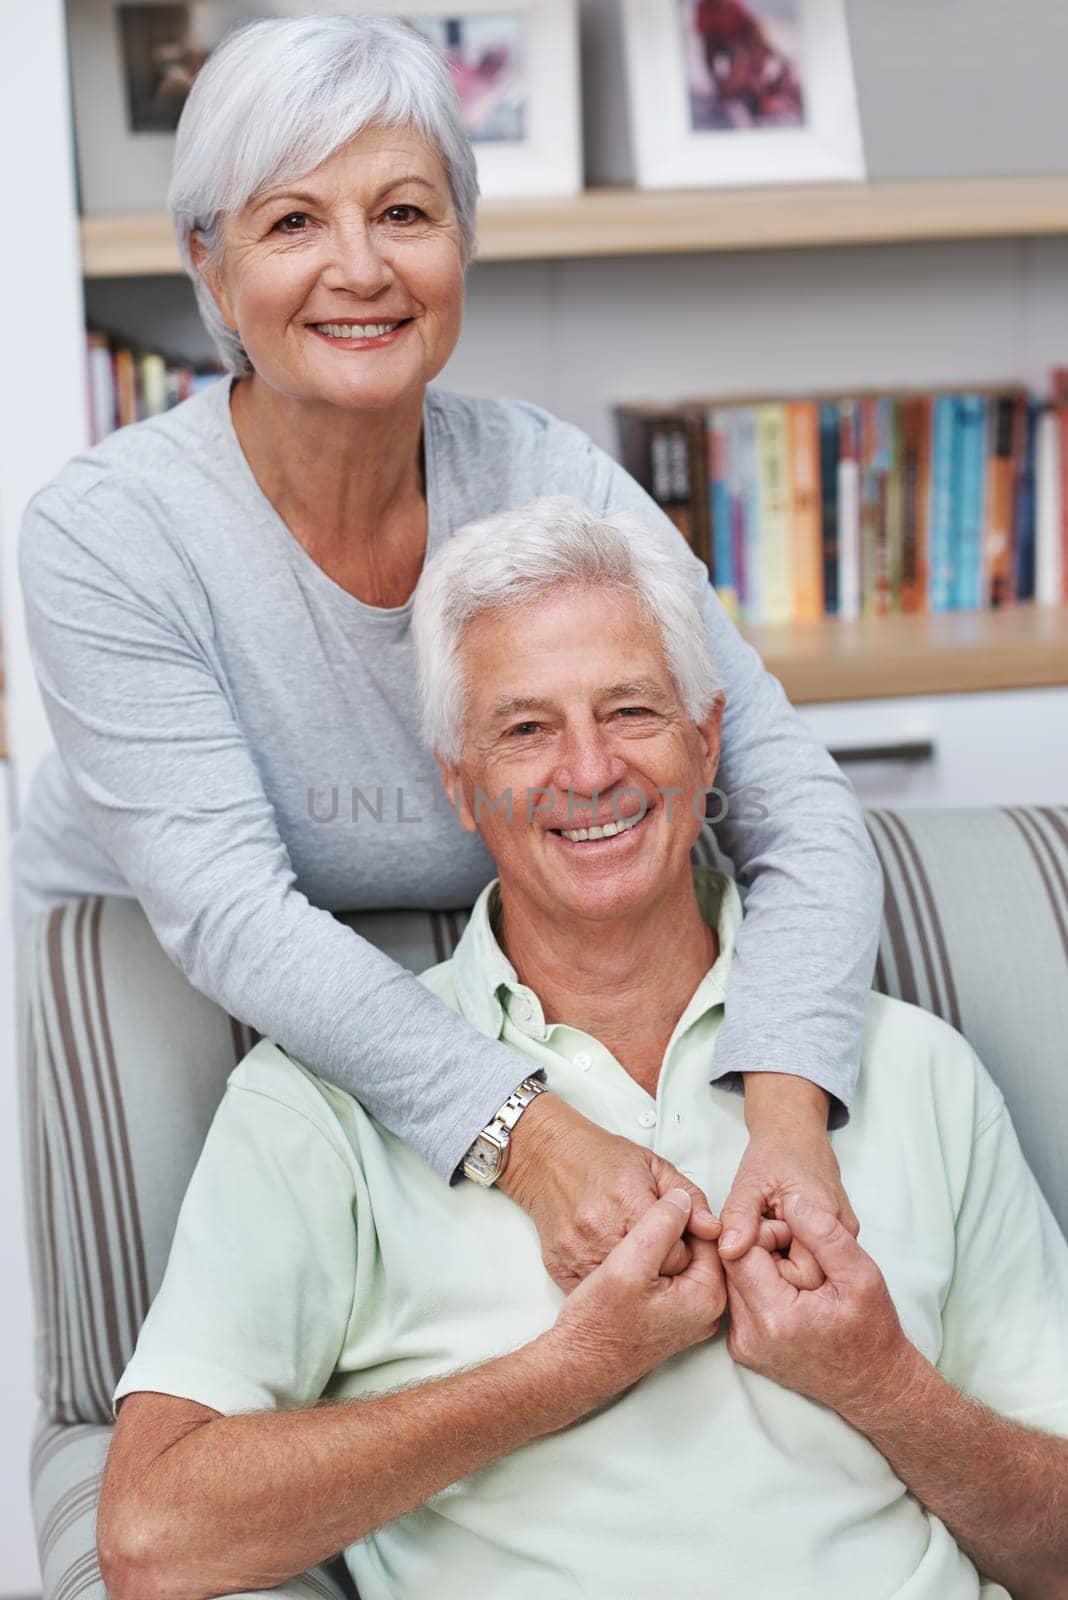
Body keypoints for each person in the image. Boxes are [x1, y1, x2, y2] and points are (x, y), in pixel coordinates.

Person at [13, 14, 881, 1286]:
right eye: (293, 221)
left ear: (462, 238)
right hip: (169, 980)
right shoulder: (105, 535)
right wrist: (527, 1137)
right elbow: (235, 919)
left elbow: (793, 798)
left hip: (492, 967)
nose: (360, 269)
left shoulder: (552, 476)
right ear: (209, 263)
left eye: (407, 214)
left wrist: (791, 1114)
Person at [97, 499, 1068, 1600]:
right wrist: (567, 1371)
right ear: (459, 784)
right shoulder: (317, 1104)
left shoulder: (918, 1068)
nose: (591, 768)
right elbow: (152, 1533)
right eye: (525, 729)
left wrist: (886, 1381)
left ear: (707, 742)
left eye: (631, 710)